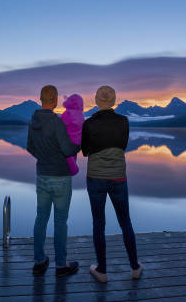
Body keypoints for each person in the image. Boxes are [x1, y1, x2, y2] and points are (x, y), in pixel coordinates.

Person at [81, 85, 142, 282]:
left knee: (99, 223)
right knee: (125, 222)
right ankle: (134, 267)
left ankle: (102, 270)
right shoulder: (123, 121)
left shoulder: (89, 123)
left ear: (97, 101)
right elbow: (122, 146)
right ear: (114, 101)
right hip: (118, 177)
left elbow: (84, 150)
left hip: (96, 178)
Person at [27, 85, 81, 277]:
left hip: (42, 176)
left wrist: (44, 157)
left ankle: (39, 261)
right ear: (55, 100)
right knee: (60, 222)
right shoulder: (57, 122)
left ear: (40, 99)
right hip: (60, 178)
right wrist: (78, 145)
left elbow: (30, 147)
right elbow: (67, 150)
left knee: (40, 218)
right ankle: (60, 265)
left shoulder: (33, 121)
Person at [60, 94, 85, 176]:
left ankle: (72, 170)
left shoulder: (67, 114)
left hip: (68, 143)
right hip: (78, 143)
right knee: (72, 157)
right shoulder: (81, 115)